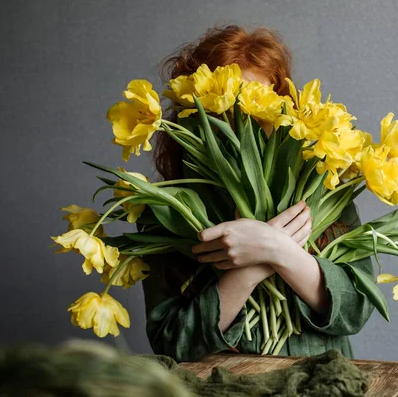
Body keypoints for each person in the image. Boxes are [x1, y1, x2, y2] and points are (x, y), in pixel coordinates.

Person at [142, 25, 375, 362]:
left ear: (286, 107)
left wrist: (279, 251)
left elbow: (355, 309)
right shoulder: (168, 208)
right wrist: (249, 269)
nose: (243, 120)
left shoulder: (324, 187)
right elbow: (173, 343)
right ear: (194, 113)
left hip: (321, 381)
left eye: (259, 103)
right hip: (221, 385)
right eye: (227, 108)